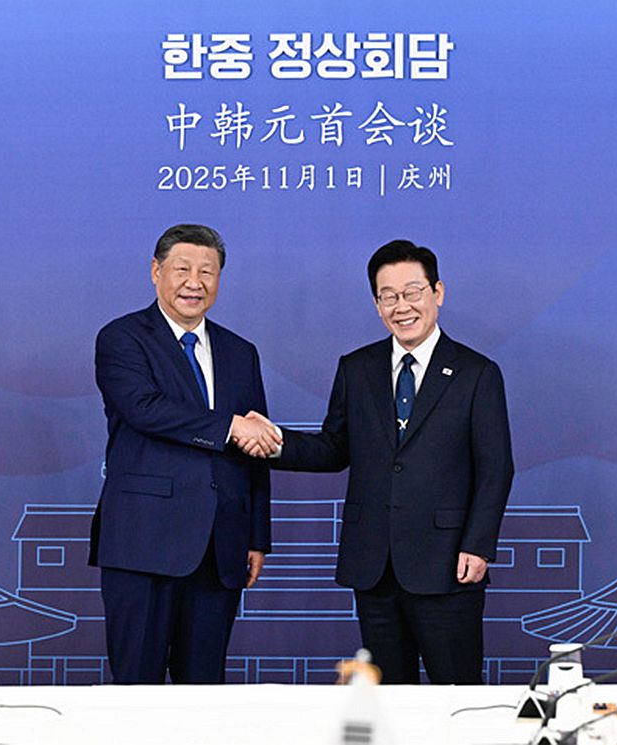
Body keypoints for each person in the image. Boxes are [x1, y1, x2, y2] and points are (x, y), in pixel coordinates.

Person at [239, 239, 513, 684]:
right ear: (377, 305)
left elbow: (495, 469)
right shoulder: (357, 368)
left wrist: (478, 545)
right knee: (387, 698)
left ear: (437, 292)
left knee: (457, 693)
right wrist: (273, 442)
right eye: (389, 296)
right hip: (374, 566)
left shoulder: (476, 373)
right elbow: (334, 448)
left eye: (412, 292)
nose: (401, 307)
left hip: (447, 564)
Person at [89, 224, 281, 683]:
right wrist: (229, 426)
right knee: (137, 689)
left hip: (219, 548)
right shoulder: (122, 338)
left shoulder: (240, 352)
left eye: (207, 272)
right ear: (156, 272)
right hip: (142, 543)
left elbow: (253, 448)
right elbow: (145, 409)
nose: (195, 282)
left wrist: (256, 535)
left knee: (205, 692)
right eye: (182, 270)